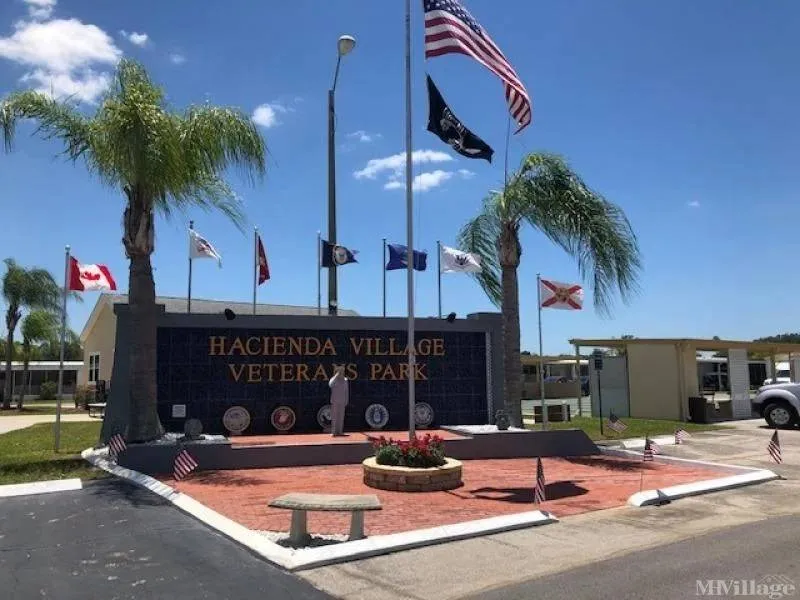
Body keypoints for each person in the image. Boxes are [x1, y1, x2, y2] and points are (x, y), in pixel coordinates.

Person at [328, 366, 349, 436]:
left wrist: (346, 400)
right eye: (340, 371)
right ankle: (334, 432)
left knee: (341, 417)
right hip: (335, 400)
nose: (341, 373)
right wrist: (336, 376)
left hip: (342, 400)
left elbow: (346, 391)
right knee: (334, 417)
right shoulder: (333, 379)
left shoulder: (345, 380)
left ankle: (340, 431)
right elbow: (330, 384)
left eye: (342, 371)